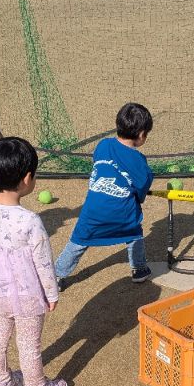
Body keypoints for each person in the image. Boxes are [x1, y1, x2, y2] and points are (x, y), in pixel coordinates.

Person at [0, 136, 68, 386]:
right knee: (29, 343)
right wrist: (51, 293)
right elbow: (43, 263)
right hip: (26, 294)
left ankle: (2, 384)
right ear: (28, 179)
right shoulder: (30, 221)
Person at [55, 102, 154, 288]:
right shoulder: (139, 161)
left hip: (93, 212)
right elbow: (142, 188)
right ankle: (139, 269)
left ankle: (56, 276)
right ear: (141, 134)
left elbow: (100, 166)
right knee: (134, 233)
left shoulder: (103, 145)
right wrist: (138, 196)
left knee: (78, 241)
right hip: (122, 215)